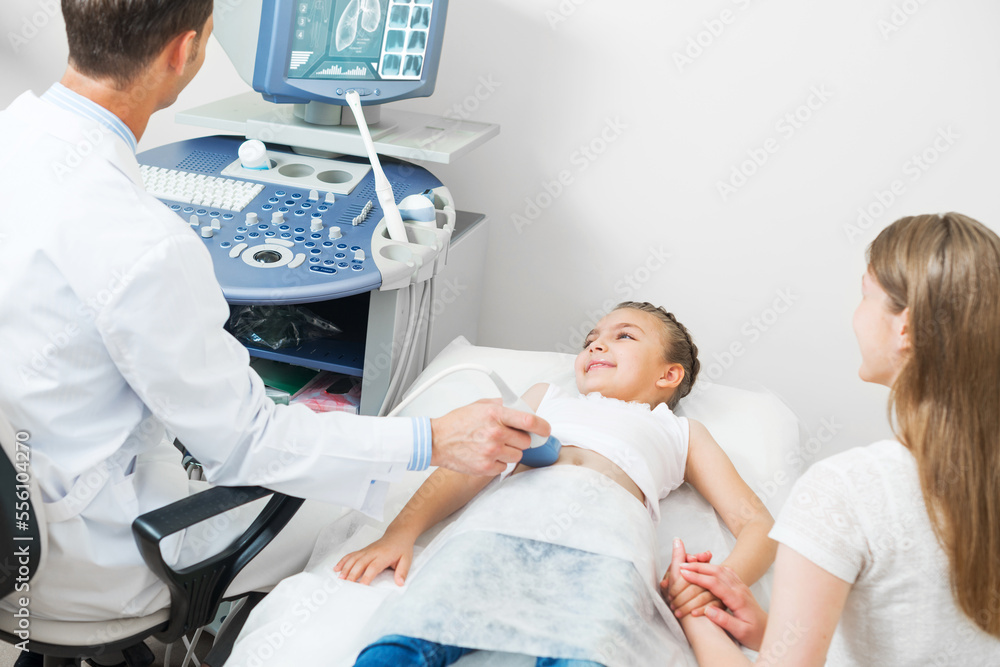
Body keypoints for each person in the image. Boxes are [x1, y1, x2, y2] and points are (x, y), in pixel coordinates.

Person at [0, 0, 547, 639]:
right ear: (184, 52)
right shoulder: (147, 244)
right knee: (368, 510)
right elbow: (246, 446)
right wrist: (433, 440)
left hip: (18, 539)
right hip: (93, 573)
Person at [334, 302, 778, 667]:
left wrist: (722, 582)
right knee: (407, 636)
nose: (597, 342)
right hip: (500, 530)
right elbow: (466, 466)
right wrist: (401, 532)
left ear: (668, 375)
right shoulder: (547, 398)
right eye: (590, 339)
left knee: (592, 652)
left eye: (624, 335)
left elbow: (757, 523)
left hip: (608, 552)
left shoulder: (680, 433)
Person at [664, 213, 1000, 665]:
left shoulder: (847, 489)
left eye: (866, 295)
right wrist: (772, 634)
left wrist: (695, 620)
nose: (856, 314)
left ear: (906, 328)